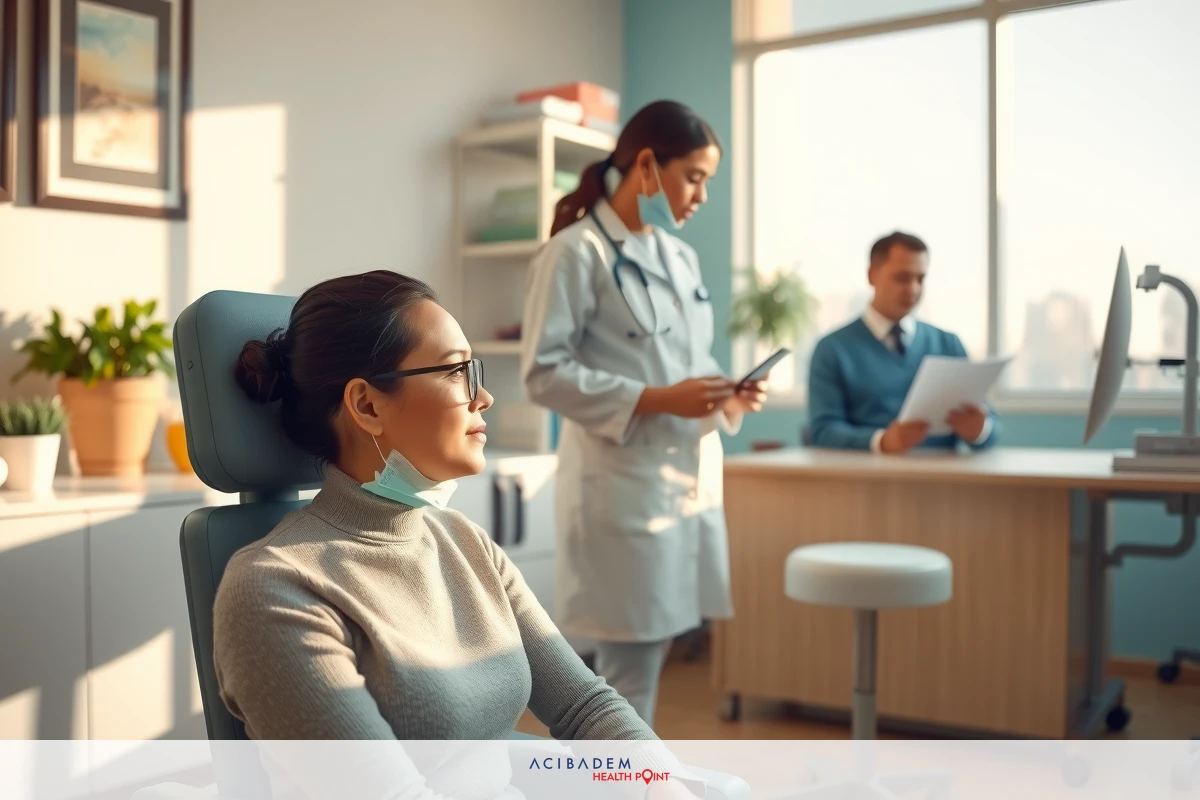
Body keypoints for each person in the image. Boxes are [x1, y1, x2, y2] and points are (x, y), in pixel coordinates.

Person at [216, 269, 686, 753]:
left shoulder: (466, 543)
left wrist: (658, 782)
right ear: (368, 406)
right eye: (455, 371)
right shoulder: (274, 588)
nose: (483, 397)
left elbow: (585, 706)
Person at [520, 100, 768, 726]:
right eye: (695, 177)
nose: (703, 195)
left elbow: (682, 361)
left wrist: (725, 396)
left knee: (643, 667)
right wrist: (658, 400)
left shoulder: (677, 258)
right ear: (648, 167)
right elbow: (542, 372)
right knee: (627, 679)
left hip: (680, 482)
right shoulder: (576, 253)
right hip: (621, 490)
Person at [807, 231, 1000, 453]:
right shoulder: (832, 349)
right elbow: (823, 431)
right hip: (866, 480)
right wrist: (882, 442)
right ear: (871, 275)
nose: (913, 289)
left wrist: (980, 430)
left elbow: (991, 424)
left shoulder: (948, 344)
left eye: (920, 279)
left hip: (945, 481)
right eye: (902, 278)